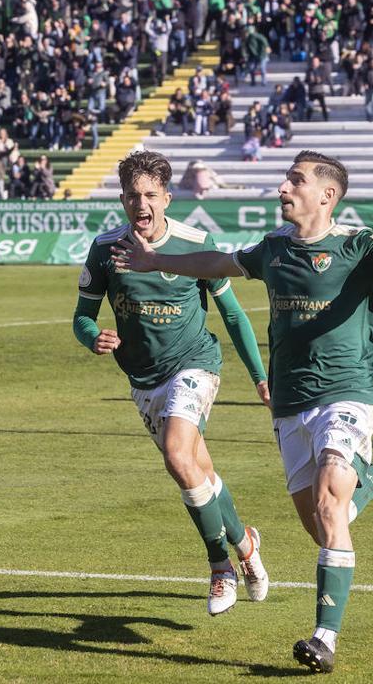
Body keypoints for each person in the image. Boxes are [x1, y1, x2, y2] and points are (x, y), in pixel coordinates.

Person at [114, 151, 373, 673]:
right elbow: (218, 263)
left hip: (347, 391)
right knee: (322, 525)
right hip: (292, 401)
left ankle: (323, 638)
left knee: (332, 499)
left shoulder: (359, 246)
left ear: (326, 195)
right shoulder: (272, 249)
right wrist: (159, 262)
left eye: (295, 180)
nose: (283, 188)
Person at [72, 151, 271, 617]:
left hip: (195, 363)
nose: (141, 204)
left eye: (150, 195)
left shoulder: (194, 242)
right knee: (198, 470)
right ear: (122, 199)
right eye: (132, 196)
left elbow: (234, 315)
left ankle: (219, 566)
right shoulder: (106, 249)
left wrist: (261, 377)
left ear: (167, 197)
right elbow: (82, 316)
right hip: (143, 378)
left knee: (178, 457)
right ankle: (246, 547)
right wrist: (91, 337)